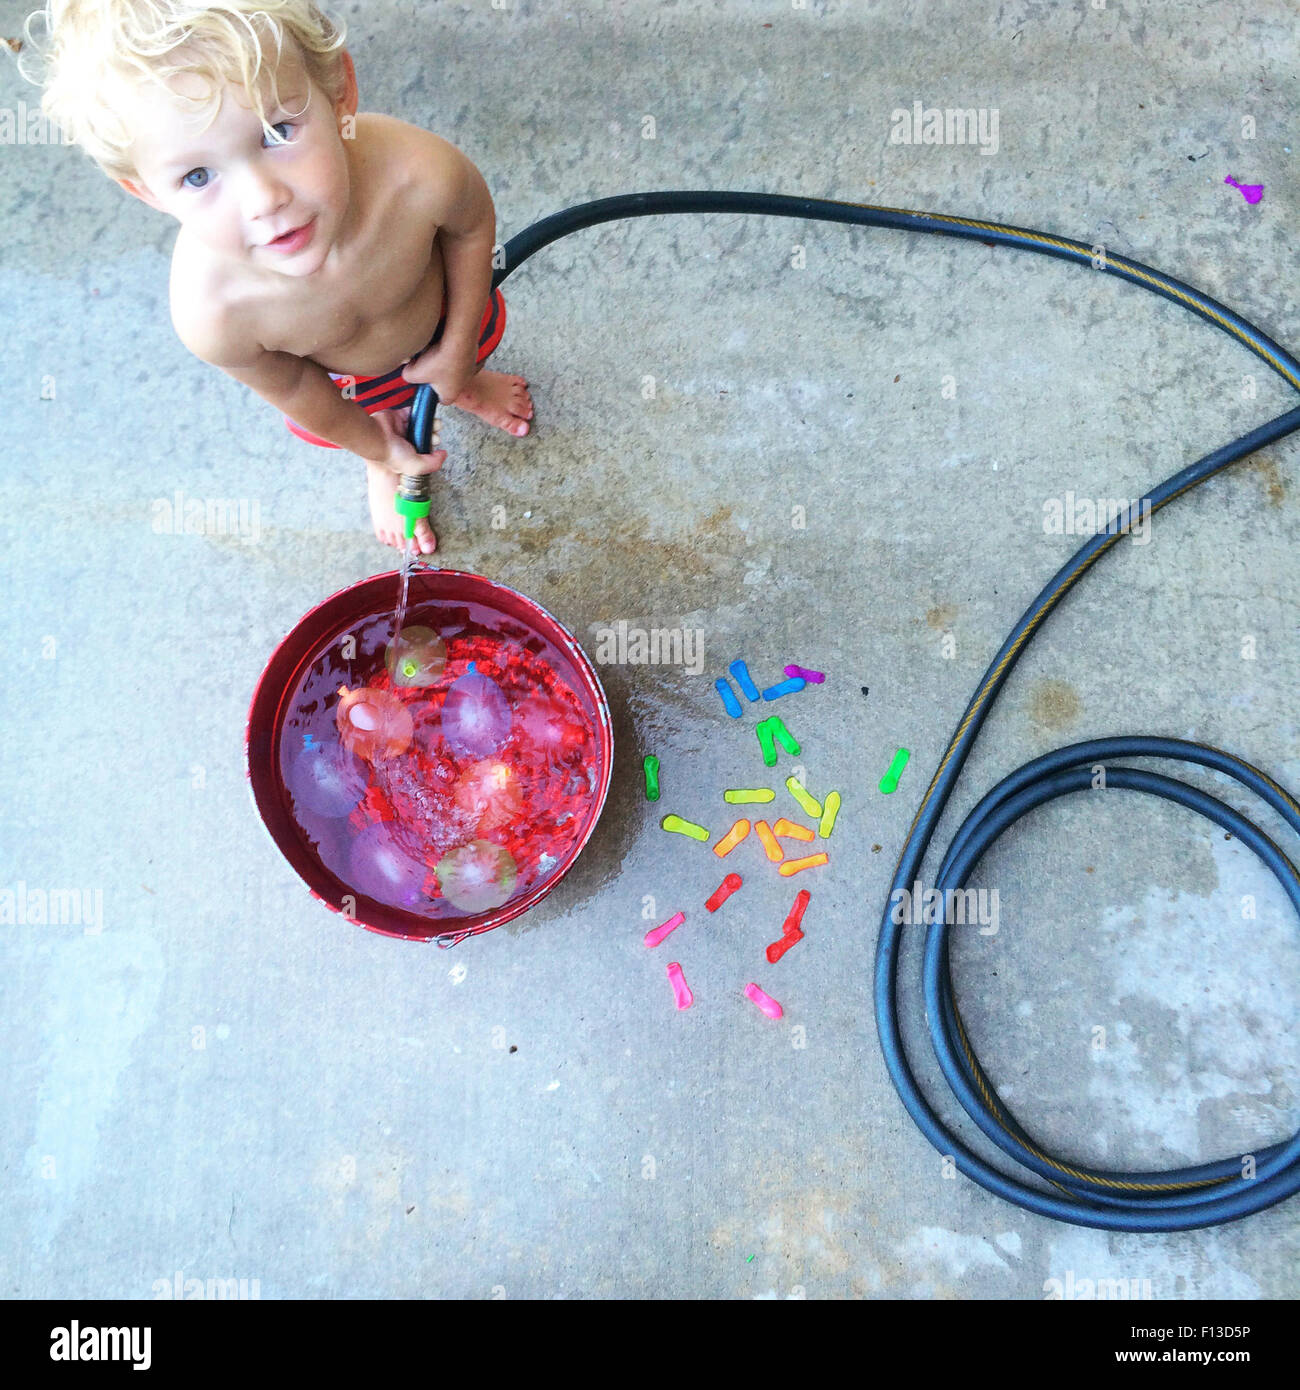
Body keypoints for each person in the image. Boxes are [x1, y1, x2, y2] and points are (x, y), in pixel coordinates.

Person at [27, 0, 533, 553]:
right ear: (146, 191)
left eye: (276, 131)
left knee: (464, 361)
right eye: (198, 175)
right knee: (364, 430)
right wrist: (370, 445)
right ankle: (383, 455)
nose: (264, 199)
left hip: (439, 323)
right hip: (348, 390)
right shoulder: (215, 312)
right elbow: (295, 387)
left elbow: (469, 231)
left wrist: (458, 349)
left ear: (339, 91)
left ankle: (464, 385)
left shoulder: (417, 172)